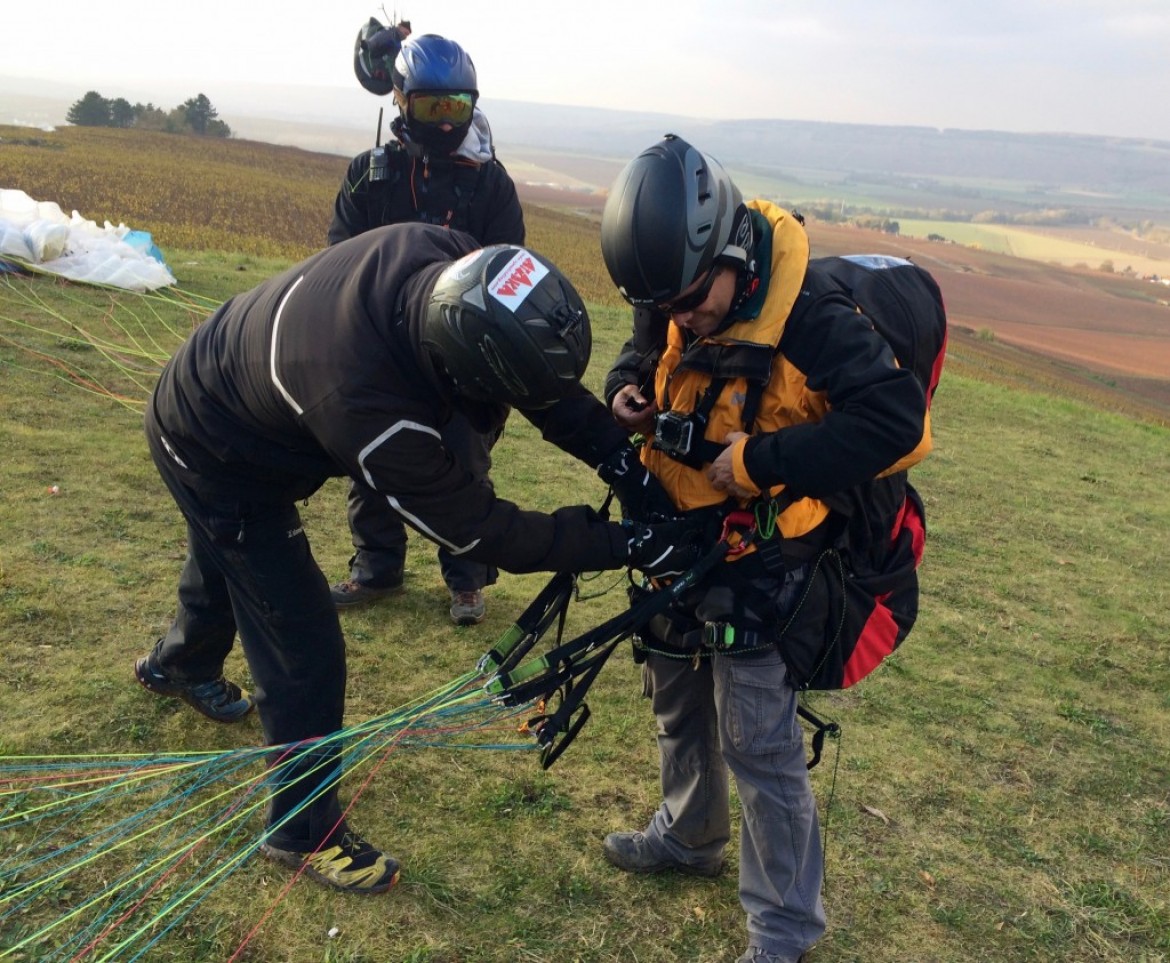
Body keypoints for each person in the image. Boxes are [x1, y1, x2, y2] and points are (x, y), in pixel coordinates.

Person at [133, 225, 694, 894]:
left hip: (226, 376)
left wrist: (623, 463)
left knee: (229, 563)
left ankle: (179, 664)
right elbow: (482, 532)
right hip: (214, 450)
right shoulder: (369, 408)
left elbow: (543, 386)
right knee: (300, 638)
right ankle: (299, 831)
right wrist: (622, 542)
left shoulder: (450, 263)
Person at [598, 135, 934, 963]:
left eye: (689, 302)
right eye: (662, 303)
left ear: (730, 252)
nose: (679, 318)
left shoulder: (813, 317)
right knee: (673, 684)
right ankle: (690, 832)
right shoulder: (677, 282)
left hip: (768, 557)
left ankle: (784, 929)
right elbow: (648, 340)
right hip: (683, 531)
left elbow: (899, 424)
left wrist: (759, 462)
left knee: (756, 737)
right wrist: (626, 383)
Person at [329, 33, 526, 625]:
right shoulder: (370, 176)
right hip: (381, 344)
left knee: (462, 465)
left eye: (456, 108)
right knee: (370, 457)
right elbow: (338, 259)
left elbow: (511, 266)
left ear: (472, 105)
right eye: (431, 107)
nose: (445, 123)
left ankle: (467, 580)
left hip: (463, 351)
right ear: (400, 99)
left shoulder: (492, 184)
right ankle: (376, 569)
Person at [353, 17, 413, 96]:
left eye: (407, 35)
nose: (406, 36)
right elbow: (378, 39)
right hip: (375, 65)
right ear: (400, 27)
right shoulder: (390, 34)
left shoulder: (397, 42)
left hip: (385, 74)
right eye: (406, 33)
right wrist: (368, 45)